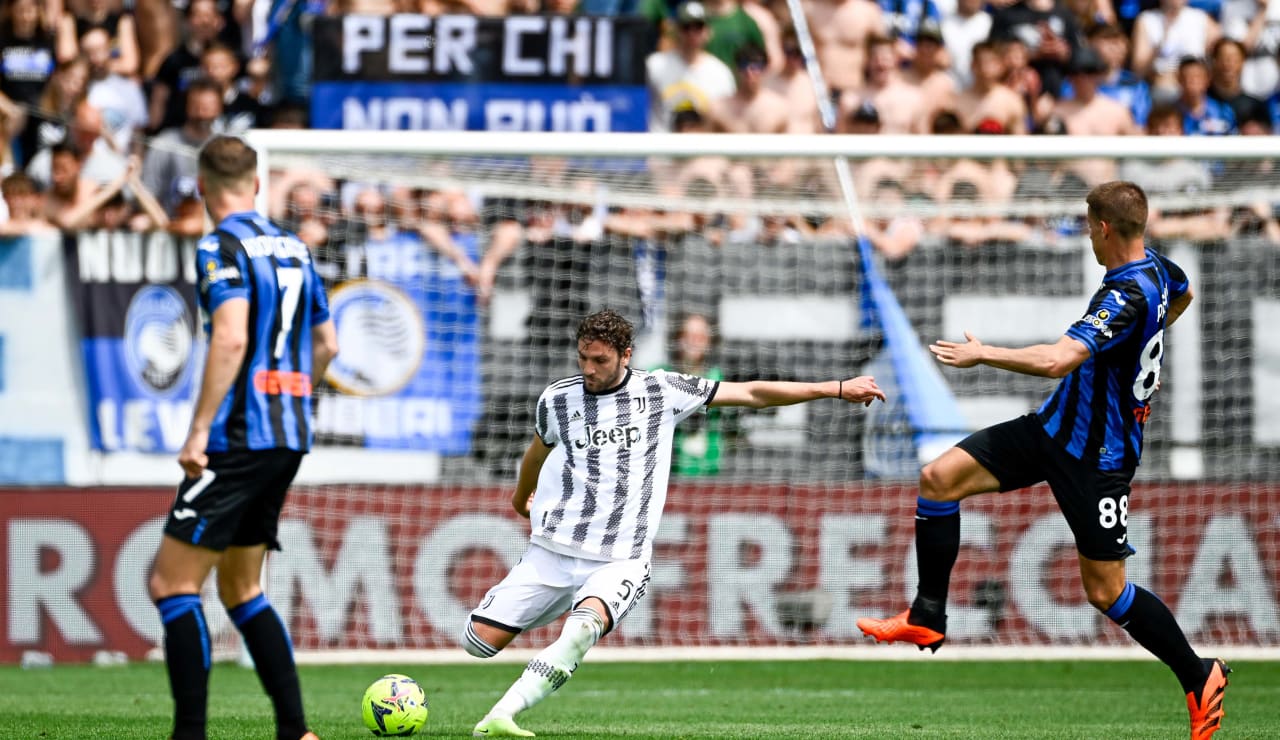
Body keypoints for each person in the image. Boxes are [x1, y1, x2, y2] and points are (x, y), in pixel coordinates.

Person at [856, 181, 1231, 740]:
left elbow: (1058, 360)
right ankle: (927, 617)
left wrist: (985, 354)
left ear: (1104, 228)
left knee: (1105, 590)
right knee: (938, 479)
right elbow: (1184, 295)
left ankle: (1200, 675)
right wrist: (1135, 350)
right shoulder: (1159, 268)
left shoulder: (1125, 293)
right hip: (1054, 427)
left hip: (1098, 457)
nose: (1087, 236)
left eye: (1088, 225)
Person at [465, 309, 886, 738]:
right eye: (583, 359)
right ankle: (557, 607)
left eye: (600, 361)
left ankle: (501, 715)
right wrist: (521, 499)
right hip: (553, 549)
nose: (589, 369)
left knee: (584, 628)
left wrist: (834, 388)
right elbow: (538, 451)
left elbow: (753, 393)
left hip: (619, 559)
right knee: (478, 642)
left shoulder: (662, 390)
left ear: (626, 355)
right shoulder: (557, 399)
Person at [147, 135, 338, 740]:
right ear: (257, 184)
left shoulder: (218, 245)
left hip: (236, 437)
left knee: (172, 584)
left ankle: (191, 735)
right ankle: (295, 731)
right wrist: (294, 395)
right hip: (288, 433)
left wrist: (199, 429)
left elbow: (230, 337)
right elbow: (328, 344)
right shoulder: (298, 249)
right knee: (241, 586)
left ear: (202, 187)